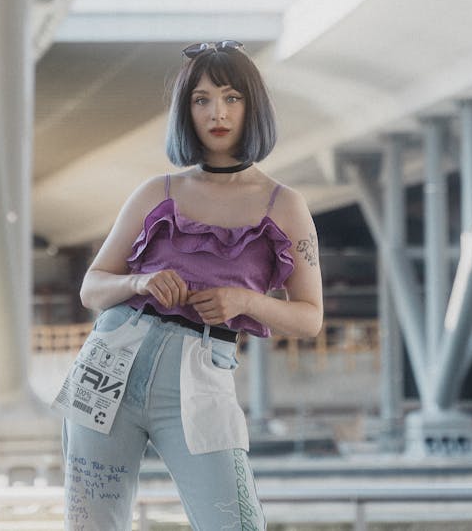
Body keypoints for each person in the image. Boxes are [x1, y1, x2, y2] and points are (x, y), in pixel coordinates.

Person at [55, 40, 323, 531]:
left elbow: (310, 317)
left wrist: (244, 301)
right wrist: (141, 281)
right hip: (111, 360)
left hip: (201, 372)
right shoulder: (156, 193)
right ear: (186, 111)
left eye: (231, 98)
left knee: (237, 524)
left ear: (252, 106)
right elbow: (92, 288)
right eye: (201, 100)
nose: (216, 112)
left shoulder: (283, 205)